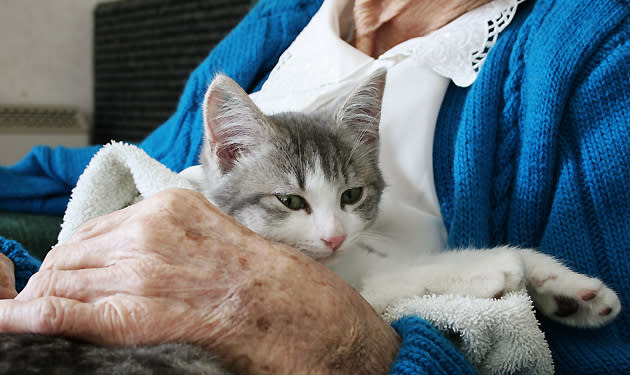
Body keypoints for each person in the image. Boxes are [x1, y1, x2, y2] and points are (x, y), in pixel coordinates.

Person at [0, 0, 628, 374]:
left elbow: (599, 357)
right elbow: (129, 166)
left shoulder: (591, 44)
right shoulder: (284, 18)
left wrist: (347, 345)